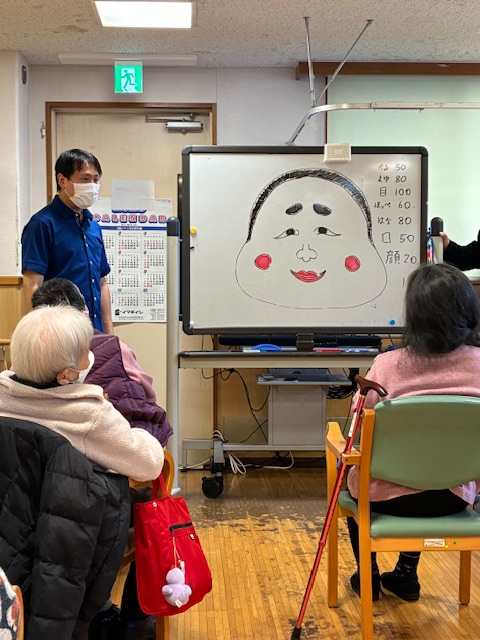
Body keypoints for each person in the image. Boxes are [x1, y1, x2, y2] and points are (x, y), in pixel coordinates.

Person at [346, 262, 480, 602]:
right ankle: (405, 573)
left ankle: (368, 574)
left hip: (384, 498)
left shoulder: (387, 366)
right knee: (431, 464)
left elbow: (357, 427)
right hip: (453, 496)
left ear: (415, 314)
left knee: (347, 472)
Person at [31, 277, 173, 447]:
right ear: (83, 312)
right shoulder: (112, 348)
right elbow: (148, 393)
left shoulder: (26, 359)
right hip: (105, 437)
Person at [22, 148, 114, 333]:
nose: (92, 186)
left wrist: (109, 332)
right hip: (60, 332)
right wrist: (39, 334)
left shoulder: (93, 227)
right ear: (62, 180)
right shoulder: (42, 224)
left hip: (94, 330)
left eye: (96, 180)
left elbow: (101, 282)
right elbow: (33, 284)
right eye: (85, 179)